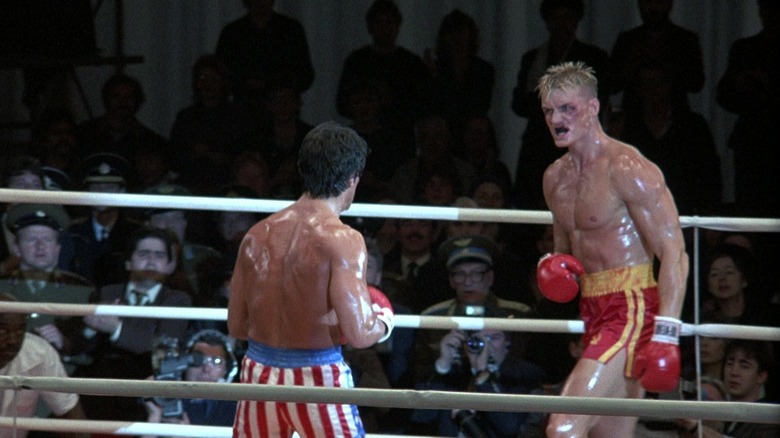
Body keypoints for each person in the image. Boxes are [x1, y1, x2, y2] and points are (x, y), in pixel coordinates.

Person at [536, 62, 688, 437]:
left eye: (567, 108)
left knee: (564, 427)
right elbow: (563, 249)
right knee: (609, 434)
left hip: (632, 309)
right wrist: (551, 265)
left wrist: (666, 333)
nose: (556, 119)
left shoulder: (627, 167)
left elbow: (674, 252)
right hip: (593, 309)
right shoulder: (554, 178)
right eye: (549, 111)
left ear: (592, 108)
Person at [228, 121, 394, 437]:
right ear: (352, 178)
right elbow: (360, 334)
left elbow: (237, 326)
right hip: (317, 375)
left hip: (257, 373)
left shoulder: (255, 235)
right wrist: (384, 321)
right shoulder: (342, 239)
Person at [64, 227, 192, 422]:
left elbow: (165, 345)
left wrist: (116, 328)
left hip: (146, 393)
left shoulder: (178, 300)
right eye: (143, 254)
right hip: (100, 392)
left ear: (168, 265)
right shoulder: (107, 293)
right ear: (128, 262)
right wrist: (91, 327)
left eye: (159, 255)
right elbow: (77, 347)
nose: (151, 261)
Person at [510, 0, 613, 210]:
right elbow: (518, 104)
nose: (561, 24)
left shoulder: (593, 58)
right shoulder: (533, 59)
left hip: (580, 146)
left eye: (567, 18)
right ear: (547, 22)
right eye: (556, 18)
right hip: (537, 147)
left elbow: (598, 101)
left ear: (576, 22)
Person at [716, 0, 779, 217]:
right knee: (750, 212)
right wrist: (741, 84)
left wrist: (767, 84)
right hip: (751, 143)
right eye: (768, 8)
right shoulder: (745, 49)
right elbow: (723, 95)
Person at [0, 203, 92, 352]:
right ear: (16, 248)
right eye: (31, 239)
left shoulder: (81, 289)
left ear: (58, 248)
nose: (40, 246)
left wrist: (63, 342)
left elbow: (90, 344)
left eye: (47, 239)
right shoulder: (2, 285)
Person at [335, 0, 431, 141]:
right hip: (362, 137)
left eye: (388, 23)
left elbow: (421, 105)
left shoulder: (411, 63)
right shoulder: (357, 61)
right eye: (379, 23)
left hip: (400, 138)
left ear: (397, 27)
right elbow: (342, 103)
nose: (384, 28)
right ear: (370, 27)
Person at [0, 293, 89, 438]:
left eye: (20, 330)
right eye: (2, 330)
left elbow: (71, 416)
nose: (13, 340)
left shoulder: (38, 353)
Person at [215, 0, 315, 111]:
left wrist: (275, 85)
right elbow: (220, 74)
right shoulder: (232, 33)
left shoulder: (290, 30)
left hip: (282, 111)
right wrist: (244, 84)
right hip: (244, 110)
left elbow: (305, 75)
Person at [610, 0, 705, 115]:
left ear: (670, 4)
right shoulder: (627, 41)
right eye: (648, 2)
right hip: (634, 119)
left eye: (659, 1)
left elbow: (696, 83)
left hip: (676, 120)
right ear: (639, 5)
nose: (653, 7)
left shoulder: (685, 40)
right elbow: (612, 84)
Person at [141, 329, 238, 435]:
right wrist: (154, 419)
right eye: (198, 359)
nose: (206, 369)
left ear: (226, 370)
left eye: (216, 361)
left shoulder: (234, 411)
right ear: (184, 365)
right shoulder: (162, 399)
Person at [68, 153, 142, 286]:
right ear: (87, 193)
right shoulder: (73, 232)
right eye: (96, 188)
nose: (102, 193)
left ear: (122, 192)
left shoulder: (136, 233)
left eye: (109, 187)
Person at [678, 340, 778, 437]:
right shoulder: (723, 416)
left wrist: (695, 427)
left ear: (761, 376)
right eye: (729, 363)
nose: (734, 372)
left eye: (744, 366)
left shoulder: (769, 418)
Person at [424, 9, 495, 129]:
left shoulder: (483, 69)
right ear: (445, 37)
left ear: (470, 34)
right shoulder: (437, 68)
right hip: (444, 132)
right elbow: (433, 105)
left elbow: (481, 106)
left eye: (461, 32)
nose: (457, 38)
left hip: (473, 132)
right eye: (452, 33)